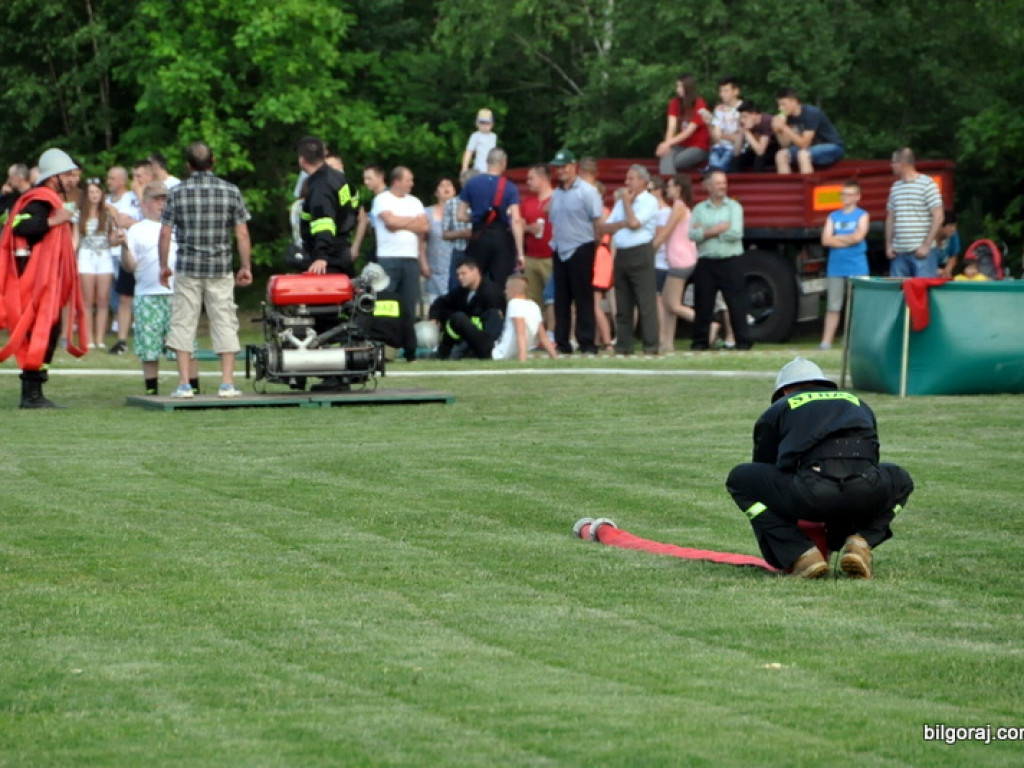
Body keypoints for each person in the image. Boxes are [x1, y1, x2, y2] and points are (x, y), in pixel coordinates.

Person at [726, 357, 915, 579]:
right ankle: (862, 540)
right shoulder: (857, 402)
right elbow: (871, 458)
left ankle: (801, 552)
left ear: (785, 391)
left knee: (739, 480)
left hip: (812, 493)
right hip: (866, 490)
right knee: (902, 481)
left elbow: (766, 467)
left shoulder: (781, 407)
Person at [158, 141, 253, 398]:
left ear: (188, 165)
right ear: (214, 161)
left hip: (188, 267)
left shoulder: (177, 192)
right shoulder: (230, 191)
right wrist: (245, 266)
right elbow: (242, 232)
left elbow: (165, 232)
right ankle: (227, 383)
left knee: (183, 322)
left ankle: (184, 383)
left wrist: (164, 266)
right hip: (220, 267)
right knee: (224, 320)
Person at [0, 148, 88, 408]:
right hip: (33, 280)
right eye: (69, 175)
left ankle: (35, 388)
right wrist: (54, 221)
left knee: (49, 331)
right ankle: (31, 394)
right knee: (39, 332)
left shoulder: (48, 198)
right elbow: (19, 225)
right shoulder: (39, 200)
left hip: (45, 281)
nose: (74, 180)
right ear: (54, 177)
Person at [117, 181, 198, 395]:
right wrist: (125, 247)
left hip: (179, 293)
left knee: (186, 343)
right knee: (149, 347)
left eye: (165, 199)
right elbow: (129, 266)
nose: (161, 204)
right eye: (157, 199)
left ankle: (193, 384)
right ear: (144, 203)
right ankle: (152, 389)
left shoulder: (180, 226)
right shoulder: (136, 230)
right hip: (148, 294)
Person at [547, 148, 602, 356]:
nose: (560, 171)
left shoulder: (587, 191)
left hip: (581, 246)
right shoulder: (557, 193)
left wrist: (594, 246)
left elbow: (597, 220)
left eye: (564, 167)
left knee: (583, 298)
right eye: (558, 167)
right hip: (561, 247)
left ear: (573, 167)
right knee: (561, 299)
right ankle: (562, 342)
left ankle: (587, 342)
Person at [600, 164, 660, 356]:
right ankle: (624, 345)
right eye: (627, 179)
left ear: (643, 181)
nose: (627, 183)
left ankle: (651, 345)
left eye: (631, 179)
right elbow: (606, 228)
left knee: (645, 302)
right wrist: (624, 221)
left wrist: (626, 204)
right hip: (623, 253)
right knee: (622, 302)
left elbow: (635, 224)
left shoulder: (649, 201)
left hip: (641, 252)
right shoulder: (619, 204)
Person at [688, 170, 751, 350]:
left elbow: (736, 233)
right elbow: (692, 235)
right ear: (708, 186)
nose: (722, 186)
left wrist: (706, 232)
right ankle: (700, 342)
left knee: (736, 303)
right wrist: (718, 229)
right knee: (703, 304)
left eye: (724, 183)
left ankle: (743, 341)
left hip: (731, 260)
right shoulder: (699, 209)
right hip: (707, 262)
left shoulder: (734, 207)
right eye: (718, 183)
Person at [457, 147, 524, 290]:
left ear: (487, 162)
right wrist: (520, 252)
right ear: (503, 163)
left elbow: (460, 215)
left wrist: (476, 218)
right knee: (500, 283)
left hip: (478, 236)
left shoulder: (471, 183)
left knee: (474, 281)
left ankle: (473, 310)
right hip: (501, 239)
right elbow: (516, 220)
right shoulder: (510, 187)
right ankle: (497, 310)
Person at [371, 166, 430, 318]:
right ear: (397, 181)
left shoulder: (415, 202)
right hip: (388, 258)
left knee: (409, 303)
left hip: (411, 259)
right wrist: (412, 221)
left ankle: (407, 338)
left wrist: (399, 222)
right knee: (386, 302)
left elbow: (424, 226)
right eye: (408, 180)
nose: (412, 183)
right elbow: (390, 222)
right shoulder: (382, 199)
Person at [297, 135, 358, 277]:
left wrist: (321, 256)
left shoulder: (320, 187)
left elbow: (324, 223)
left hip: (328, 261)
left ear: (302, 160)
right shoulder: (339, 177)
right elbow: (354, 204)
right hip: (342, 251)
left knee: (325, 299)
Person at [819, 180, 869, 350]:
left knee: (858, 305)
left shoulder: (862, 215)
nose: (845, 197)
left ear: (857, 197)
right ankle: (826, 342)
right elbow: (825, 240)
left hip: (857, 266)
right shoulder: (833, 216)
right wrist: (848, 239)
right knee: (833, 305)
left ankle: (855, 340)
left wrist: (837, 238)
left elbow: (858, 237)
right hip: (836, 267)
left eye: (849, 194)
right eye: (843, 194)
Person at [652, 174, 698, 352]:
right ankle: (667, 343)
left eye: (670, 186)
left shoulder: (679, 208)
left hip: (681, 260)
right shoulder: (678, 207)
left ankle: (706, 323)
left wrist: (649, 251)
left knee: (672, 304)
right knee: (667, 304)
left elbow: (665, 233)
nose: (667, 189)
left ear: (679, 188)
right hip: (677, 260)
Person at [427, 258, 505, 360]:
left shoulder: (490, 294)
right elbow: (441, 302)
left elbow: (493, 329)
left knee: (458, 318)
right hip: (469, 336)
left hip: (487, 342)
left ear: (475, 271)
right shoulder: (463, 291)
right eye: (458, 275)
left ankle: (452, 352)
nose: (460, 277)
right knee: (450, 313)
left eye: (464, 273)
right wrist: (434, 318)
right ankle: (443, 352)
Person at [885, 148, 943, 278]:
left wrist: (926, 245)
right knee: (899, 293)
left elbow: (938, 216)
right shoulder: (895, 187)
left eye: (893, 162)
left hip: (921, 254)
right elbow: (890, 217)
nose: (891, 165)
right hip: (899, 253)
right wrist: (889, 245)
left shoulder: (927, 184)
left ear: (902, 163)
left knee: (922, 293)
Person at [75, 177, 116, 349]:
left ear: (102, 194)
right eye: (91, 192)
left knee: (103, 299)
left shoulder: (107, 214)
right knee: (87, 300)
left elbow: (113, 237)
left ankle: (100, 338)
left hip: (104, 255)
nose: (94, 195)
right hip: (86, 255)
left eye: (97, 191)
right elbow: (76, 238)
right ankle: (88, 338)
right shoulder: (79, 214)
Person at [773, 88, 845, 174]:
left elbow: (804, 144)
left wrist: (784, 127)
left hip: (832, 146)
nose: (780, 108)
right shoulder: (787, 117)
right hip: (810, 148)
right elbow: (784, 144)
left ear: (794, 102)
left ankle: (807, 186)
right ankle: (786, 186)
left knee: (803, 155)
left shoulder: (811, 113)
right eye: (779, 105)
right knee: (781, 155)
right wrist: (779, 131)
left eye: (783, 104)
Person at [491, 274, 558, 361]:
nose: (505, 292)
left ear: (514, 291)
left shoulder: (514, 304)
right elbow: (543, 337)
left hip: (498, 354)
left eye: (507, 288)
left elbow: (520, 334)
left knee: (491, 314)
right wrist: (554, 357)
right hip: (507, 352)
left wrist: (522, 361)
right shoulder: (534, 306)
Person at [656, 74, 711, 174]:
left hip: (698, 146)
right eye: (677, 86)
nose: (678, 89)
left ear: (688, 87)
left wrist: (667, 143)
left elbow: (689, 131)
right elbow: (671, 127)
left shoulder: (699, 103)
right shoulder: (675, 103)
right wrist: (667, 145)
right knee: (666, 154)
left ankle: (670, 182)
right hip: (680, 145)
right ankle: (670, 184)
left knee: (675, 161)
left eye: (680, 86)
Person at [520, 163, 554, 310]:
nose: (528, 182)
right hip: (531, 257)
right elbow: (516, 226)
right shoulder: (527, 202)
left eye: (531, 178)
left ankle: (554, 330)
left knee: (553, 299)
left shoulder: (557, 198)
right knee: (532, 300)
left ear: (543, 178)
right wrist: (528, 228)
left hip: (551, 257)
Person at [424, 176, 457, 307]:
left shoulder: (462, 212)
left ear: (455, 191)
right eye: (442, 185)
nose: (446, 188)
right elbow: (421, 241)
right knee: (436, 306)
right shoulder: (427, 213)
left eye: (449, 185)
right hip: (435, 266)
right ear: (436, 192)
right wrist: (423, 263)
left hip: (456, 265)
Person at [442, 168, 476, 291]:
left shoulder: (482, 202)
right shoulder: (451, 204)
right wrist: (461, 233)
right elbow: (445, 234)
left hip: (479, 251)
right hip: (459, 251)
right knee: (456, 289)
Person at [350, 163, 388, 263]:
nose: (366, 182)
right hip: (377, 246)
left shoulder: (389, 198)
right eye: (364, 179)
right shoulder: (374, 200)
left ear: (380, 177)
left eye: (369, 178)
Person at [708, 76, 744, 172]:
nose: (722, 94)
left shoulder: (743, 109)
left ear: (736, 91)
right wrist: (709, 123)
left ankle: (713, 172)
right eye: (721, 91)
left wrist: (722, 135)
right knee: (715, 156)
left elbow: (741, 137)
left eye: (726, 91)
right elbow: (715, 137)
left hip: (735, 149)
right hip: (719, 148)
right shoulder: (718, 109)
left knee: (717, 169)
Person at [736, 101, 778, 173]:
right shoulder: (745, 123)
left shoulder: (766, 121)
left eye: (745, 116)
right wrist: (741, 132)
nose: (742, 120)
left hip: (775, 149)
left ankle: (760, 183)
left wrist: (747, 132)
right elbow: (736, 152)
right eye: (741, 117)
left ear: (754, 114)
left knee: (759, 158)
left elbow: (760, 151)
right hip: (759, 149)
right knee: (737, 159)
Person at [461, 108, 498, 174]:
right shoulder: (475, 136)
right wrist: (464, 168)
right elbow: (469, 151)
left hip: (491, 170)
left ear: (492, 124)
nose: (484, 125)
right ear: (477, 123)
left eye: (487, 123)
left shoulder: (494, 136)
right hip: (479, 169)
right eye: (482, 123)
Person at [936, 209, 960, 278]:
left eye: (955, 226)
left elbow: (953, 255)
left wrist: (947, 271)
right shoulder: (929, 237)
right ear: (940, 226)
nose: (953, 229)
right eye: (950, 226)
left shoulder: (954, 235)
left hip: (944, 267)